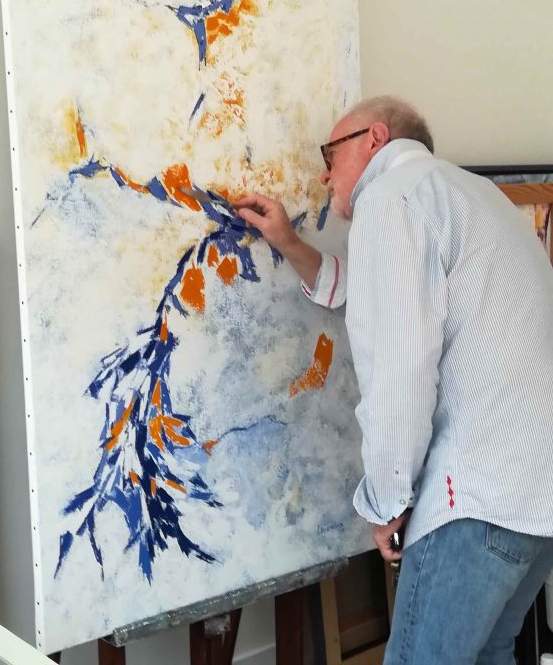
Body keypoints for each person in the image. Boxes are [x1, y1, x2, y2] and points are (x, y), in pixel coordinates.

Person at [235, 95, 553, 664]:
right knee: (491, 654)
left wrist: (386, 503)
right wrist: (289, 242)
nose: (324, 174)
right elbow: (370, 291)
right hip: (537, 497)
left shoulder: (389, 199)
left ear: (375, 139)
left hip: (478, 498)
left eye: (331, 154)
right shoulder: (473, 195)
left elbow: (399, 377)